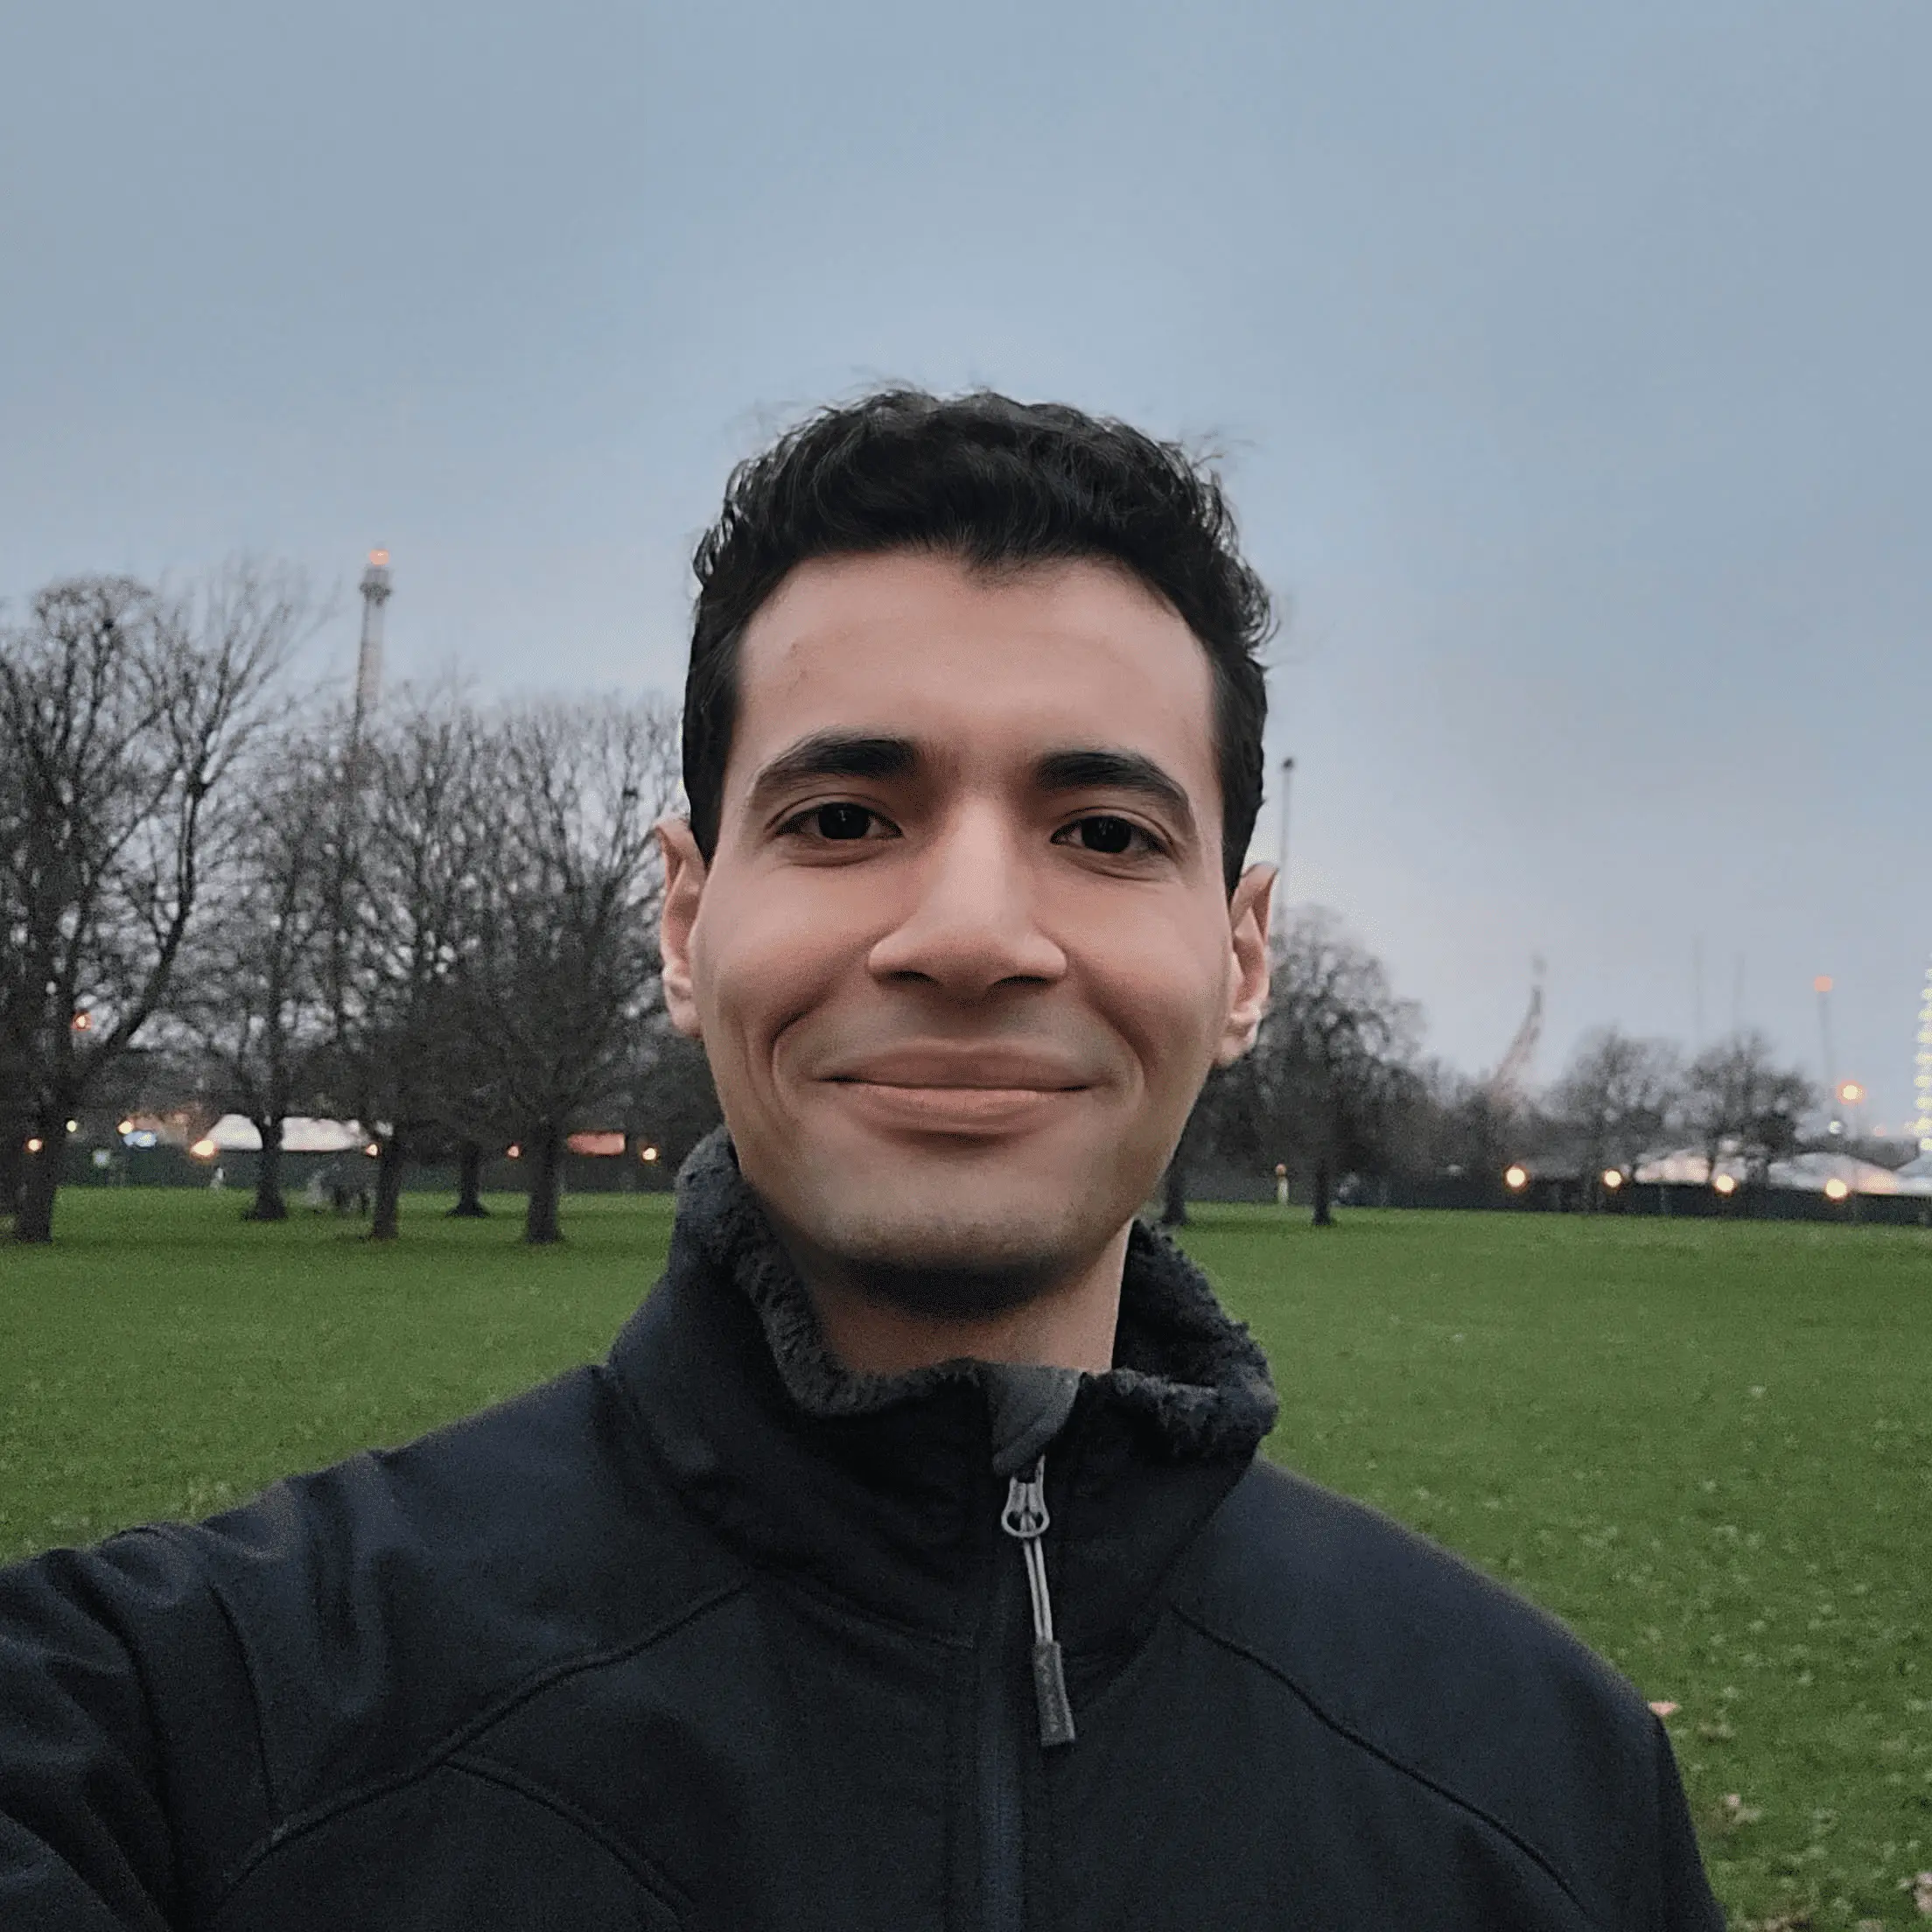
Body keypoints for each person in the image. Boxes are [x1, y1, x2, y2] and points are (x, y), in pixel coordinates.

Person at [0, 390, 1720, 1929]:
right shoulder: (175, 1725)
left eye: (1104, 832)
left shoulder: (1553, 1790)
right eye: (842, 820)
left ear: (1243, 955)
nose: (969, 935)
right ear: (686, 921)